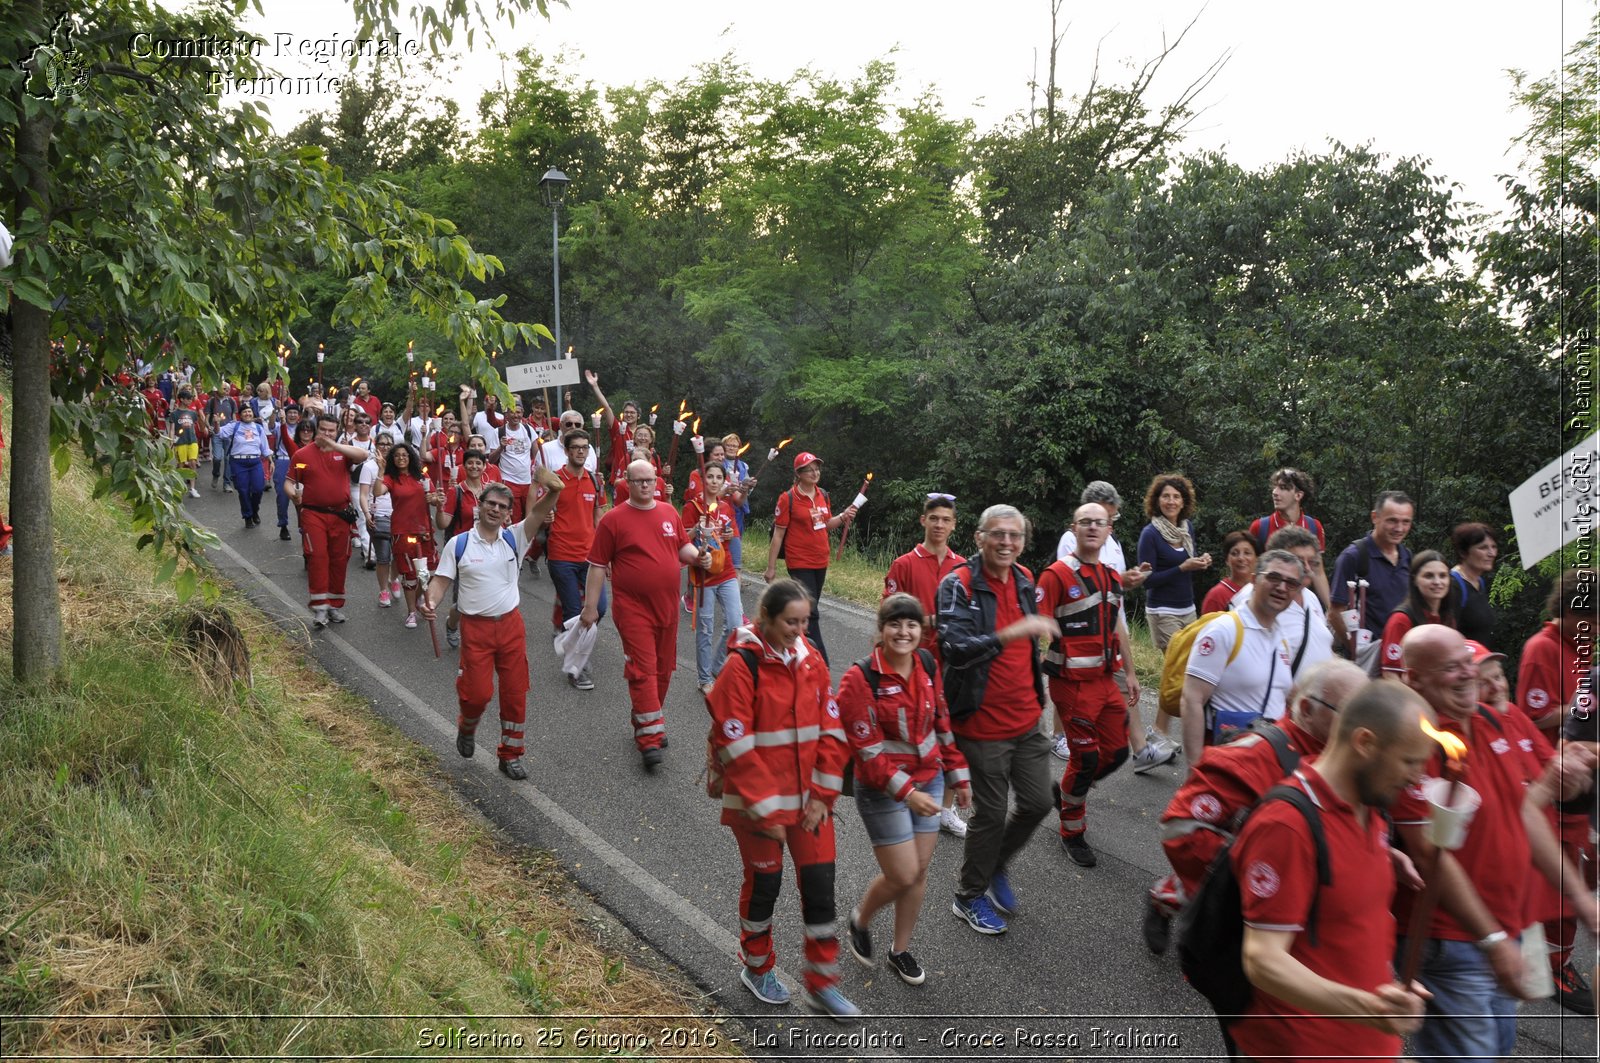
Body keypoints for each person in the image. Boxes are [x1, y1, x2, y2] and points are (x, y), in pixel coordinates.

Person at [1393, 625, 1597, 1062]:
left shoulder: (1494, 721)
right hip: (1452, 940)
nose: (1470, 675)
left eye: (1469, 663)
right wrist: (1491, 940)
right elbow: (1431, 855)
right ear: (1414, 679)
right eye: (1452, 667)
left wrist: (1581, 900)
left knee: (1497, 1049)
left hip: (1508, 928)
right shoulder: (1414, 743)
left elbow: (1529, 813)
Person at [1228, 681, 1434, 1063]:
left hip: (1366, 1046)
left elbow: (1351, 925)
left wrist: (1387, 987)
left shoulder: (1369, 808)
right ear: (1365, 743)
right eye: (1409, 761)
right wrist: (1367, 1008)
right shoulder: (1287, 825)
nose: (1417, 777)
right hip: (1302, 1050)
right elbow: (1263, 961)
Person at [706, 579, 858, 1020]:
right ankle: (756, 968)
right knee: (764, 887)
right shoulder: (741, 667)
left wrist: (823, 796)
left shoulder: (811, 661)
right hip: (757, 805)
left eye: (805, 621)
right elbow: (735, 744)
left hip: (808, 802)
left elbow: (831, 733)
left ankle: (823, 984)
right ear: (766, 619)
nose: (799, 630)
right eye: (791, 622)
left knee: (820, 888)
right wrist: (765, 809)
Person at [1144, 658, 1368, 955]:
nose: (1363, 730)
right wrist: (1245, 869)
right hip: (1255, 869)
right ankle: (1166, 898)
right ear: (1306, 710)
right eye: (1350, 715)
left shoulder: (1347, 758)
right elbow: (1180, 829)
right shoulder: (1250, 759)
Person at [937, 504, 1060, 936]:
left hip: (1027, 718)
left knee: (1040, 802)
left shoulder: (1026, 580)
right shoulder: (960, 584)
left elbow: (1029, 647)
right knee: (990, 814)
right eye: (998, 534)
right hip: (981, 722)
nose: (1007, 542)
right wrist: (1011, 633)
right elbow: (953, 646)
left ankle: (995, 864)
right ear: (979, 537)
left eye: (1015, 535)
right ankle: (968, 896)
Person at [840, 593, 972, 987]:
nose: (903, 631)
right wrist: (908, 793)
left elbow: (943, 722)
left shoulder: (928, 664)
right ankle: (859, 920)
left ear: (920, 630)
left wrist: (958, 775)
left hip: (929, 777)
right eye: (894, 624)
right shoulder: (860, 679)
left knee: (917, 874)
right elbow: (869, 756)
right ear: (880, 630)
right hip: (884, 788)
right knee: (903, 873)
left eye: (911, 624)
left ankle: (899, 951)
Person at [419, 468, 565, 781]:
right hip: (476, 630)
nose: (496, 509)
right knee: (477, 694)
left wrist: (553, 488)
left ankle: (510, 755)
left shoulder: (516, 538)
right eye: (491, 503)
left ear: (509, 513)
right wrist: (429, 602)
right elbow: (441, 582)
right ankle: (467, 726)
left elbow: (542, 508)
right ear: (479, 505)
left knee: (515, 693)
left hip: (511, 627)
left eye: (502, 506)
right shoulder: (458, 545)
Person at [581, 458, 712, 770]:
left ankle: (644, 719)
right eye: (638, 481)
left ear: (656, 481)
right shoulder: (613, 520)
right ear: (627, 483)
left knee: (664, 670)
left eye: (649, 480)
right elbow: (598, 565)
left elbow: (681, 548)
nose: (644, 485)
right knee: (643, 669)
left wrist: (698, 558)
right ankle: (651, 738)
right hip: (632, 608)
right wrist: (589, 606)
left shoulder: (669, 512)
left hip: (666, 608)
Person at [1515, 568, 1598, 1011]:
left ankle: (1555, 958)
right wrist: (1582, 708)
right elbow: (1533, 718)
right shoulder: (1540, 649)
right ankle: (1553, 966)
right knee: (1563, 882)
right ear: (1570, 611)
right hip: (1554, 782)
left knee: (1582, 875)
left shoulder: (1580, 648)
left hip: (1583, 780)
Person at [1040, 502, 1140, 867]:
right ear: (1074, 528)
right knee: (1085, 760)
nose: (1093, 528)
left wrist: (1129, 672)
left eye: (1100, 523)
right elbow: (1037, 620)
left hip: (1104, 681)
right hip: (1071, 684)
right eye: (1086, 522)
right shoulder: (1055, 575)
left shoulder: (1111, 578)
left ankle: (1067, 792)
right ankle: (1072, 831)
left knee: (1115, 753)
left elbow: (1117, 627)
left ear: (1109, 529)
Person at [1056, 481, 1169, 770]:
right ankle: (1061, 738)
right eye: (1109, 515)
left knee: (1120, 688)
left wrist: (1129, 578)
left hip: (1113, 625)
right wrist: (1119, 580)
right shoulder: (1071, 539)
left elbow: (1112, 586)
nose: (1108, 523)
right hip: (1082, 633)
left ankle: (1140, 750)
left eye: (1111, 519)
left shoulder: (1114, 542)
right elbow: (1075, 585)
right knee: (1070, 683)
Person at [883, 493, 969, 835]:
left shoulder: (962, 566)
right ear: (923, 521)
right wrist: (926, 620)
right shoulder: (904, 563)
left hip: (952, 665)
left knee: (952, 733)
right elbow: (887, 614)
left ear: (953, 525)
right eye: (933, 518)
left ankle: (945, 810)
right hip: (913, 661)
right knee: (911, 731)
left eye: (946, 519)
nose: (939, 525)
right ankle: (907, 795)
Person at [1179, 550, 1301, 764]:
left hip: (1266, 762)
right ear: (1254, 579)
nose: (1282, 587)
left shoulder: (1281, 639)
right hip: (1225, 761)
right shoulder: (1224, 630)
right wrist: (1195, 768)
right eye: (1273, 577)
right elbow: (1192, 700)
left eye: (1291, 583)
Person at [764, 452, 858, 665]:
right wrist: (771, 568)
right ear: (799, 474)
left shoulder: (822, 494)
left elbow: (826, 524)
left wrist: (843, 517)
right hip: (799, 561)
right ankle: (820, 662)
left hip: (820, 560)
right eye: (809, 469)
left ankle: (798, 654)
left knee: (809, 611)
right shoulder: (788, 498)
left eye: (817, 469)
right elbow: (778, 535)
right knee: (811, 612)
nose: (815, 473)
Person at [1138, 473, 1211, 747]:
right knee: (1179, 672)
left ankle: (1159, 731)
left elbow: (1186, 564)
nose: (1171, 501)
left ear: (1184, 501)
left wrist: (1200, 562)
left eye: (1176, 496)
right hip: (1162, 612)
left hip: (1188, 609)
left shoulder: (1186, 528)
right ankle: (1160, 732)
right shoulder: (1150, 534)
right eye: (1166, 496)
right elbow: (1147, 580)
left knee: (1182, 672)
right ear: (1157, 500)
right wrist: (1182, 567)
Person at [287, 413, 377, 628]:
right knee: (317, 556)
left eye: (331, 430)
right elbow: (289, 482)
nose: (327, 434)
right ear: (316, 430)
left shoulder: (342, 452)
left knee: (339, 559)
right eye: (323, 430)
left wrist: (335, 447)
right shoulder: (301, 455)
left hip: (340, 515)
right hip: (313, 513)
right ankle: (320, 607)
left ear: (336, 431)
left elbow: (363, 455)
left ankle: (334, 604)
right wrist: (293, 494)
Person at [544, 429, 608, 690]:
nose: (580, 451)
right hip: (561, 555)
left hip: (590, 557)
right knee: (574, 612)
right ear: (567, 451)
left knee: (599, 608)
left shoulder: (594, 480)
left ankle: (571, 639)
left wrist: (608, 554)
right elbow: (541, 510)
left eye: (585, 447)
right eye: (576, 447)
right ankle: (576, 668)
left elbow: (599, 517)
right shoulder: (555, 480)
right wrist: (546, 516)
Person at [1230, 526, 1337, 681]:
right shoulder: (1256, 596)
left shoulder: (1311, 597)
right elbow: (1245, 661)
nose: (1307, 569)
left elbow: (1320, 646)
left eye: (1312, 562)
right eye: (1299, 561)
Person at [1329, 490, 1414, 675]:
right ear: (1375, 517)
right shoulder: (1354, 557)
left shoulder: (1407, 558)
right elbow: (1335, 612)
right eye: (1392, 520)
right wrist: (1356, 650)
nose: (1399, 528)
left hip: (1399, 659)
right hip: (1367, 663)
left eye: (1405, 522)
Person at [683, 462, 740, 694]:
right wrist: (697, 528)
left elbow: (730, 534)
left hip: (725, 572)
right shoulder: (692, 506)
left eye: (719, 477)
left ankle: (716, 666)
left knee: (735, 624)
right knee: (706, 628)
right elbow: (682, 539)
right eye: (710, 477)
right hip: (703, 575)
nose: (714, 481)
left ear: (724, 481)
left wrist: (727, 534)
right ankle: (704, 679)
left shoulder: (726, 507)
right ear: (703, 479)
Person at [373, 443, 441, 629]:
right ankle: (411, 611)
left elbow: (435, 499)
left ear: (410, 456)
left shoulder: (422, 476)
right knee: (411, 574)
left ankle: (419, 597)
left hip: (425, 530)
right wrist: (381, 470)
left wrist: (433, 498)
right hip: (402, 532)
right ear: (392, 460)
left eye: (404, 454)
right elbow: (378, 492)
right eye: (396, 456)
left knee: (430, 573)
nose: (401, 458)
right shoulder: (391, 478)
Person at [434, 448, 495, 650]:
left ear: (485, 466)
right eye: (470, 463)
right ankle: (452, 625)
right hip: (464, 551)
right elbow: (443, 524)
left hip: (488, 550)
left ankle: (478, 635)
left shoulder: (490, 492)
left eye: (479, 463)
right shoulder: (456, 492)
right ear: (463, 466)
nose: (474, 466)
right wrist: (440, 507)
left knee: (487, 593)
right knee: (462, 600)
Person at [1379, 550, 1457, 676]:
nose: (1437, 582)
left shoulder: (1447, 619)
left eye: (1443, 576)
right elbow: (1391, 674)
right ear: (1414, 580)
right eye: (1428, 576)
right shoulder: (1401, 620)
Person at [216, 403, 271, 528]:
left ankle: (255, 510)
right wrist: (216, 423)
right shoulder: (234, 426)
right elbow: (219, 433)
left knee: (258, 489)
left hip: (255, 462)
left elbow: (265, 447)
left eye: (249, 411)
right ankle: (247, 516)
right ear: (240, 415)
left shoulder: (258, 428)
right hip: (238, 463)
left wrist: (271, 461)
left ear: (253, 413)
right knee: (243, 490)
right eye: (245, 412)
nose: (248, 414)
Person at [1249, 467, 1327, 551]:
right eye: (1275, 487)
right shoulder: (1259, 527)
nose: (1274, 492)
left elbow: (1317, 563)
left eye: (1283, 488)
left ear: (1298, 495)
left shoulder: (1314, 527)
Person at [1449, 522, 1500, 649]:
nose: (1491, 553)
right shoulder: (1453, 586)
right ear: (1463, 552)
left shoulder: (1479, 583)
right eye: (1483, 548)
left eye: (1493, 547)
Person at [361, 438, 397, 607]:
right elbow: (363, 494)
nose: (385, 447)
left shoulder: (398, 465)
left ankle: (394, 578)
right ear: (376, 446)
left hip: (398, 515)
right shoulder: (368, 467)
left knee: (398, 554)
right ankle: (383, 591)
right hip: (379, 515)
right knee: (383, 557)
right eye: (382, 444)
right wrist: (367, 514)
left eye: (388, 444)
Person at [490, 401, 539, 524]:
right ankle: (514, 543)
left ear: (522, 413)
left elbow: (537, 455)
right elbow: (490, 460)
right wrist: (501, 447)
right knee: (514, 520)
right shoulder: (499, 432)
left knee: (529, 518)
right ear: (506, 415)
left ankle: (528, 543)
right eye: (512, 412)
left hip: (527, 482)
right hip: (509, 481)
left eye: (518, 412)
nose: (515, 415)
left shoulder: (528, 430)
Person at [1201, 530, 1258, 615]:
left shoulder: (1261, 590)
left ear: (1256, 558)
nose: (1241, 558)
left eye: (1247, 553)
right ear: (1227, 560)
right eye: (1235, 553)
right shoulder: (1217, 596)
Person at [270, 404, 302, 540]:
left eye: (295, 413)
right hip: (283, 461)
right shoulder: (278, 426)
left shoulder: (303, 428)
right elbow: (271, 425)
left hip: (301, 463)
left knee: (301, 496)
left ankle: (303, 526)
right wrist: (275, 412)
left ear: (299, 416)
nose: (292, 415)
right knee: (282, 496)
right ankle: (283, 525)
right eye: (290, 413)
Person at [169, 386, 203, 499]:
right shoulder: (174, 414)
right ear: (182, 399)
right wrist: (171, 441)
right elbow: (172, 429)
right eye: (188, 399)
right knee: (181, 464)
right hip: (180, 442)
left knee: (193, 462)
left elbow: (194, 426)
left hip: (192, 441)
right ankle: (178, 486)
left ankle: (192, 488)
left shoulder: (193, 413)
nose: (190, 401)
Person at [206, 386, 238, 491]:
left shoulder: (232, 401)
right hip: (216, 433)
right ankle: (216, 474)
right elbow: (207, 417)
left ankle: (227, 483)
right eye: (223, 388)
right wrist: (209, 426)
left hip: (228, 433)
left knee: (228, 459)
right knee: (217, 458)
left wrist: (235, 429)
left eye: (227, 388)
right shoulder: (211, 401)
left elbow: (234, 417)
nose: (226, 390)